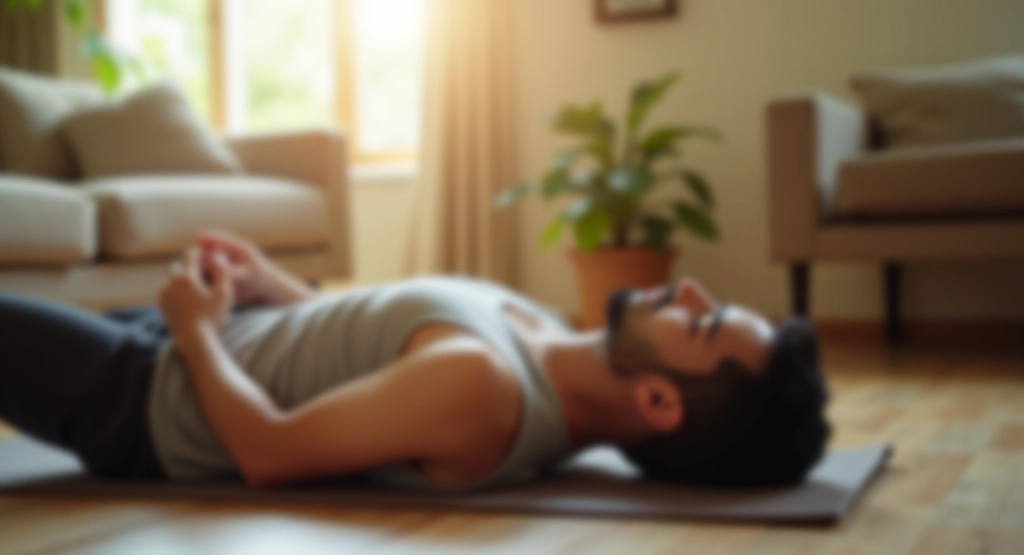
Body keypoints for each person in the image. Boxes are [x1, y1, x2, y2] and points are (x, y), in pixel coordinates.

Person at [0, 231, 830, 490]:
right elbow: (354, 341)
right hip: (192, 339)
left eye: (704, 318)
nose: (686, 289)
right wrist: (267, 284)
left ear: (657, 404)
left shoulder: (486, 393)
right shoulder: (535, 325)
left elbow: (269, 451)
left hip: (148, 397)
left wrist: (197, 332)